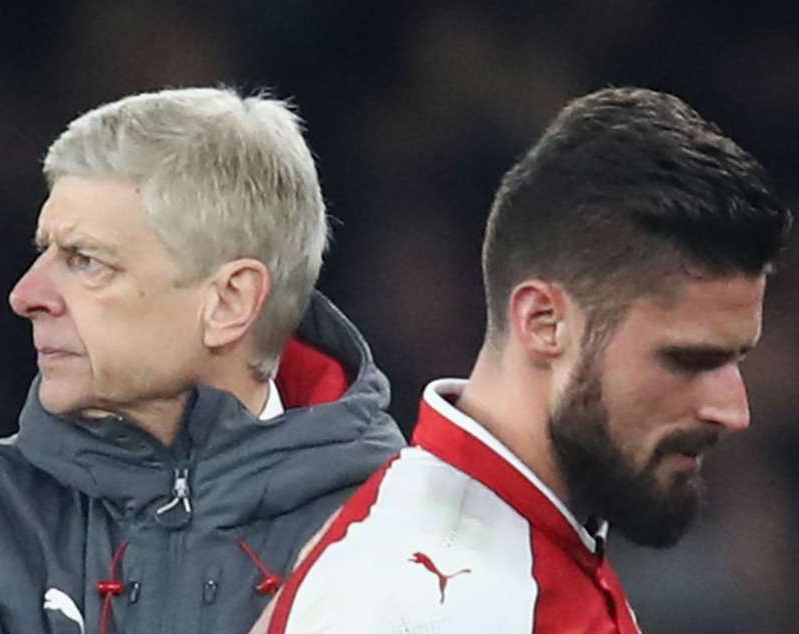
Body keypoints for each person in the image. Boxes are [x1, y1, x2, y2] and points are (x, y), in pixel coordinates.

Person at [0, 87, 404, 634]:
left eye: (86, 261)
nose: (26, 295)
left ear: (229, 302)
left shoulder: (407, 536)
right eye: (45, 251)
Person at [256, 87, 792, 633]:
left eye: (736, 359)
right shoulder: (419, 602)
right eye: (687, 360)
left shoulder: (531, 551)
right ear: (543, 323)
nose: (735, 411)